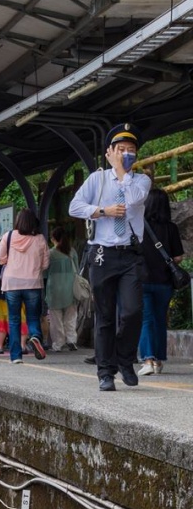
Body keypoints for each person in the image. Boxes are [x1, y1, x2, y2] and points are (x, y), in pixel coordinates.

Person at [69, 123, 151, 392]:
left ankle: (125, 360)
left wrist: (121, 171)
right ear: (109, 152)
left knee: (132, 311)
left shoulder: (141, 180)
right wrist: (102, 210)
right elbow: (75, 207)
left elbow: (135, 200)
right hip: (102, 254)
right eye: (121, 150)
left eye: (131, 151)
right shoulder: (97, 179)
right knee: (104, 316)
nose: (127, 154)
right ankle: (105, 372)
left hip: (130, 254)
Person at [137, 188, 184, 376]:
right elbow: (178, 257)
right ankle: (157, 361)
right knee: (159, 321)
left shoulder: (138, 225)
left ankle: (147, 359)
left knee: (146, 320)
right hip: (164, 282)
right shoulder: (171, 227)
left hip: (142, 280)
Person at [0, 209, 49, 365]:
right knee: (33, 316)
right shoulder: (40, 239)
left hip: (12, 283)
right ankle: (35, 337)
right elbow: (46, 264)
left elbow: (0, 258)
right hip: (32, 283)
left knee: (14, 320)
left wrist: (10, 261)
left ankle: (16, 356)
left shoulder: (8, 236)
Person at [46, 227, 79, 352]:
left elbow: (44, 272)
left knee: (55, 318)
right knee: (71, 316)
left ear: (53, 238)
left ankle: (58, 343)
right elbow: (77, 269)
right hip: (71, 287)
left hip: (54, 288)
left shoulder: (51, 253)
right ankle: (71, 340)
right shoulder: (72, 252)